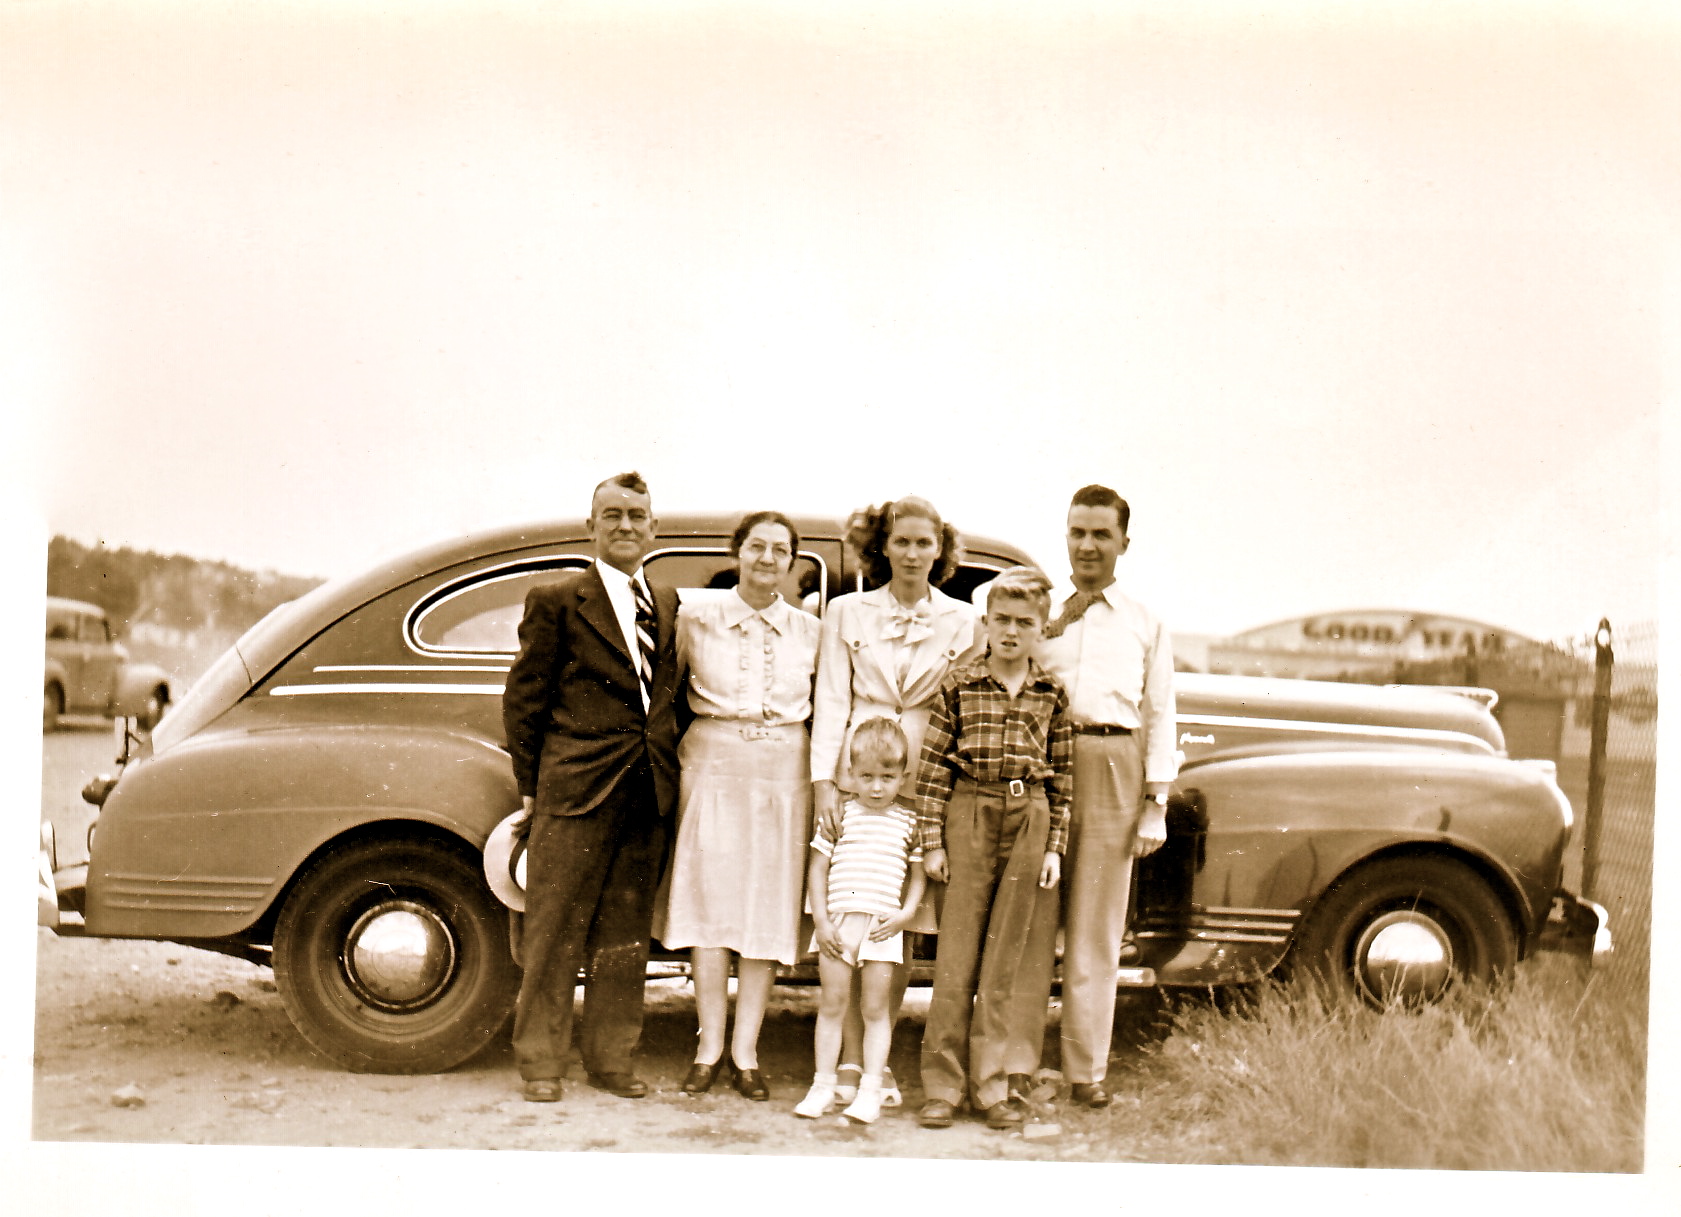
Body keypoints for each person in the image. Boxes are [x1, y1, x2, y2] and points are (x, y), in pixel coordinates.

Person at [501, 471, 684, 1103]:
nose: (625, 526)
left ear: (653, 529)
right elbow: (523, 700)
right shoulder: (556, 600)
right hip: (575, 790)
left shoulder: (664, 599)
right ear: (592, 526)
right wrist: (531, 787)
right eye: (613, 515)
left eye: (637, 515)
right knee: (553, 932)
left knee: (625, 934)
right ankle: (541, 1064)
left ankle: (611, 1058)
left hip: (645, 793)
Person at [810, 495, 981, 1106]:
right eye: (902, 542)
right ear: (883, 546)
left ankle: (878, 1058)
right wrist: (826, 783)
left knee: (900, 918)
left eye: (924, 543)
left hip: (923, 773)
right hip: (860, 771)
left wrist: (943, 790)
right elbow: (832, 698)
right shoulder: (846, 613)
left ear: (941, 550)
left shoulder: (963, 620)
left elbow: (960, 707)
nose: (912, 554)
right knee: (849, 907)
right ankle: (851, 1062)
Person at [656, 511, 821, 1101]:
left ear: (793, 561)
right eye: (757, 547)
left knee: (765, 910)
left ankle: (746, 1052)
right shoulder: (696, 618)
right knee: (710, 904)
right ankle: (707, 1047)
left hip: (783, 773)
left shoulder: (810, 632)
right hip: (713, 765)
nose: (768, 559)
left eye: (781, 550)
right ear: (738, 552)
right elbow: (665, 695)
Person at [907, 567, 1073, 1130]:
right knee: (957, 958)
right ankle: (942, 1087)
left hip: (1029, 817)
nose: (1010, 631)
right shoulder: (958, 684)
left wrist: (1053, 846)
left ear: (1041, 630)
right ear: (984, 623)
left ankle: (992, 1085)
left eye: (1024, 622)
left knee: (1006, 959)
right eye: (1001, 620)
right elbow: (930, 771)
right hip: (970, 810)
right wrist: (933, 842)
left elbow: (1064, 778)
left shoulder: (1052, 692)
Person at [1035, 484, 1177, 1109]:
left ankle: (1084, 1070)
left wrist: (1155, 802)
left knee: (1095, 929)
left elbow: (1160, 711)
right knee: (1034, 921)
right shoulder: (1039, 612)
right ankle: (1014, 1067)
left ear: (1123, 541)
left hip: (1115, 764)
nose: (1087, 544)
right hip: (1044, 765)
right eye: (1076, 532)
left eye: (1100, 534)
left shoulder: (1144, 621)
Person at [794, 717, 926, 1124]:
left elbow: (919, 878)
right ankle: (823, 1085)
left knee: (875, 1008)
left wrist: (904, 916)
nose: (875, 787)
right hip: (839, 925)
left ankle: (870, 1088)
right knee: (832, 1004)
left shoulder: (908, 822)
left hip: (882, 927)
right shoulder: (840, 816)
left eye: (887, 777)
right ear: (850, 773)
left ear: (902, 777)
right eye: (866, 776)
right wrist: (821, 922)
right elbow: (817, 869)